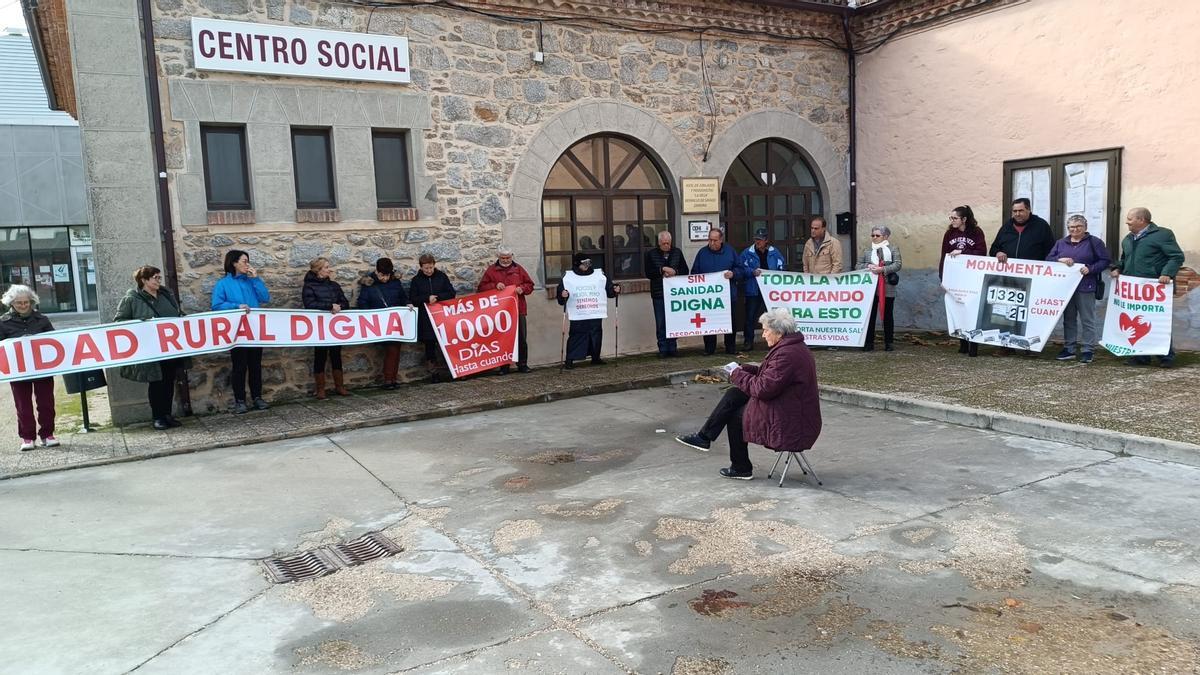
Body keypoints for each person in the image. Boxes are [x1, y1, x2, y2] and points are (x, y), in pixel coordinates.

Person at [675, 307, 821, 480]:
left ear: (779, 332)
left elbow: (763, 389)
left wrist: (737, 374)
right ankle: (704, 437)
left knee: (736, 416)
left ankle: (740, 467)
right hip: (788, 405)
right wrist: (745, 369)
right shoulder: (791, 347)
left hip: (790, 418)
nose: (763, 335)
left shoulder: (786, 354)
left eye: (766, 330)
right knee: (735, 394)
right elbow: (772, 376)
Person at [114, 266, 192, 430]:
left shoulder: (166, 295)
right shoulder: (132, 299)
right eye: (155, 278)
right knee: (157, 383)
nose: (158, 281)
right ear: (144, 280)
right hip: (151, 349)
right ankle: (158, 417)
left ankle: (167, 415)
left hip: (171, 347)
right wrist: (142, 323)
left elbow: (177, 313)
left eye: (159, 277)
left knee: (169, 381)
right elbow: (119, 322)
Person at [1110, 207, 1185, 367]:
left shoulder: (1163, 234)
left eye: (1130, 219)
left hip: (1155, 288)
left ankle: (1165, 357)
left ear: (1141, 220)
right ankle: (1140, 357)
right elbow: (1125, 259)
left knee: (1158, 322)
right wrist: (1117, 268)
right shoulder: (1128, 239)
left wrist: (1167, 273)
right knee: (1135, 323)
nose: (1127, 222)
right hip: (1134, 290)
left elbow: (1176, 257)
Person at [990, 198, 1055, 355]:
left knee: (1030, 313)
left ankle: (1029, 346)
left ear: (1029, 210)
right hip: (1008, 279)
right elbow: (993, 249)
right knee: (1006, 312)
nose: (1017, 214)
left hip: (1034, 279)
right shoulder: (1006, 227)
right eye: (1015, 211)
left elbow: (1051, 251)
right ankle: (1006, 346)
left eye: (1021, 210)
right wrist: (998, 252)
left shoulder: (1041, 226)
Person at [211, 250, 270, 414]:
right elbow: (216, 305)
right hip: (237, 332)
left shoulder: (251, 281)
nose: (247, 264)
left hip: (254, 331)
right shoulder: (223, 284)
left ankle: (257, 397)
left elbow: (265, 298)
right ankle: (240, 400)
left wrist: (256, 279)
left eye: (248, 261)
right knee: (239, 366)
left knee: (255, 365)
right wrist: (236, 306)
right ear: (234, 263)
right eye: (244, 261)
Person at [0, 285, 57, 451]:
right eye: (19, 303)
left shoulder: (42, 320)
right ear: (11, 303)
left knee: (46, 403)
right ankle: (27, 437)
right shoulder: (3, 323)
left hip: (42, 368)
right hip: (18, 370)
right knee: (22, 405)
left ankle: (47, 434)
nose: (23, 305)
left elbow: (54, 340)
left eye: (26, 302)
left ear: (32, 302)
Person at [1046, 215, 1110, 364]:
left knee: (1087, 319)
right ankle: (1069, 348)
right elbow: (1048, 259)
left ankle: (1088, 350)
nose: (1075, 230)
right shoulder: (1061, 243)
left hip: (1086, 286)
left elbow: (1105, 260)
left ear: (1085, 227)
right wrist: (1059, 259)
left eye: (1078, 226)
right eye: (1071, 227)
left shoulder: (1094, 242)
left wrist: (1091, 268)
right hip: (1066, 287)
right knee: (1068, 319)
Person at [556, 253, 620, 369]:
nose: (587, 265)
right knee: (576, 335)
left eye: (588, 263)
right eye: (584, 263)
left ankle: (596, 357)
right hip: (579, 313)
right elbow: (562, 295)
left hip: (594, 312)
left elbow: (609, 289)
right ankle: (570, 360)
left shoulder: (599, 275)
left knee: (596, 334)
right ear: (577, 264)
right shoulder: (568, 277)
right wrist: (563, 295)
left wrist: (615, 289)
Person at [478, 246, 536, 374]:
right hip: (500, 312)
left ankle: (522, 364)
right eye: (503, 258)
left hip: (518, 309)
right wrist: (494, 285)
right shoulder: (491, 270)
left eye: (508, 257)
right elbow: (481, 288)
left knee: (521, 338)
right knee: (503, 339)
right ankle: (504, 366)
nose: (505, 260)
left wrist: (522, 289)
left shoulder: (518, 269)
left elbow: (530, 285)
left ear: (512, 256)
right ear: (498, 257)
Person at [357, 257, 411, 389]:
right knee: (392, 349)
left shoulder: (395, 282)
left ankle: (392, 378)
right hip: (379, 323)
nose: (385, 278)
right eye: (382, 275)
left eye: (387, 275)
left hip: (395, 321)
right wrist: (372, 314)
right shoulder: (369, 285)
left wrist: (407, 304)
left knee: (396, 349)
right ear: (377, 272)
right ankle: (388, 379)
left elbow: (402, 297)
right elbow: (363, 302)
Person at [942, 205, 988, 357]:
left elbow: (982, 252)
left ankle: (973, 344)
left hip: (972, 277)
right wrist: (943, 276)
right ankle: (962, 343)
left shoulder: (976, 232)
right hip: (956, 278)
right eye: (951, 218)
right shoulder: (949, 233)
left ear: (964, 219)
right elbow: (944, 256)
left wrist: (963, 252)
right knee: (958, 309)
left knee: (972, 310)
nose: (952, 220)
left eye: (955, 218)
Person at [691, 228, 745, 355]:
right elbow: (694, 272)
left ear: (721, 240)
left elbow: (741, 269)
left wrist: (733, 274)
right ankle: (709, 348)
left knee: (730, 322)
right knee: (708, 322)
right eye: (710, 240)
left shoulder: (730, 252)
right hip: (708, 297)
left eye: (715, 240)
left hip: (728, 295)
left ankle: (730, 348)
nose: (712, 243)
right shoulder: (702, 253)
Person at [303, 257, 350, 398]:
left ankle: (339, 386)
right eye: (326, 267)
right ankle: (320, 389)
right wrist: (329, 306)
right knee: (320, 356)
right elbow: (310, 305)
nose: (329, 270)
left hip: (335, 326)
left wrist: (339, 306)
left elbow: (345, 302)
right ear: (318, 270)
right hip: (319, 327)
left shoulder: (334, 285)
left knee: (336, 355)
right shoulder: (309, 286)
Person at [410, 253, 456, 382]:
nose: (429, 270)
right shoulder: (416, 280)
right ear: (421, 267)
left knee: (448, 344)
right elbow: (413, 298)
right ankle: (434, 373)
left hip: (442, 316)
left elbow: (451, 293)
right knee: (430, 346)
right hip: (426, 319)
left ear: (434, 265)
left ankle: (454, 369)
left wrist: (438, 297)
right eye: (426, 268)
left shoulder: (441, 277)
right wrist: (426, 298)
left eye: (431, 267)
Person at [738, 228, 786, 351]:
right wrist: (752, 272)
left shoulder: (774, 252)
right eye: (756, 239)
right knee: (750, 317)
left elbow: (782, 267)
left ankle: (774, 341)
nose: (758, 242)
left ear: (766, 240)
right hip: (753, 289)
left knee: (772, 316)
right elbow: (740, 268)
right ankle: (748, 342)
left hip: (770, 291)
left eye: (760, 239)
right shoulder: (747, 253)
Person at [856, 226, 903, 351]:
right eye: (873, 235)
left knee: (888, 315)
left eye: (877, 235)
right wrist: (869, 266)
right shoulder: (867, 250)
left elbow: (898, 264)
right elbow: (858, 265)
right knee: (870, 315)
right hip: (870, 287)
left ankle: (889, 342)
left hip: (887, 286)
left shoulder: (893, 248)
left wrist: (882, 269)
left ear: (885, 236)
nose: (874, 237)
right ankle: (868, 343)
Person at [645, 231, 689, 358]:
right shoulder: (651, 254)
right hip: (659, 293)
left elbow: (685, 270)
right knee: (661, 322)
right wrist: (662, 270)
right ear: (659, 243)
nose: (666, 246)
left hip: (675, 294)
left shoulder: (677, 252)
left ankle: (673, 348)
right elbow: (648, 273)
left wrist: (675, 272)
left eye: (668, 243)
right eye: (664, 243)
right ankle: (663, 349)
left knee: (673, 321)